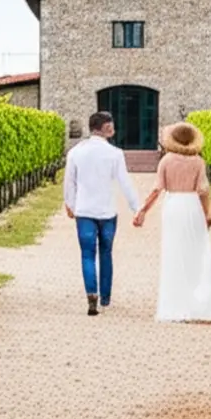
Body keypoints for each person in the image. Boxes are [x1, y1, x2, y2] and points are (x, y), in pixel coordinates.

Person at [133, 122, 211, 324]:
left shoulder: (166, 161)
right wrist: (207, 214)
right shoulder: (198, 162)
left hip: (174, 205)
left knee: (174, 252)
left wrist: (143, 210)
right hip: (192, 205)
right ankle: (199, 303)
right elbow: (203, 192)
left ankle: (176, 304)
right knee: (196, 252)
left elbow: (157, 189)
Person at [63, 111, 140, 316]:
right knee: (106, 253)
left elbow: (69, 181)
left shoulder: (76, 152)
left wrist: (69, 203)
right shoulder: (115, 153)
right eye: (111, 124)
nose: (113, 127)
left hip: (85, 211)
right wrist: (136, 208)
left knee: (87, 254)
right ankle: (105, 297)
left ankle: (91, 295)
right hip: (107, 211)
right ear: (106, 127)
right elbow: (125, 182)